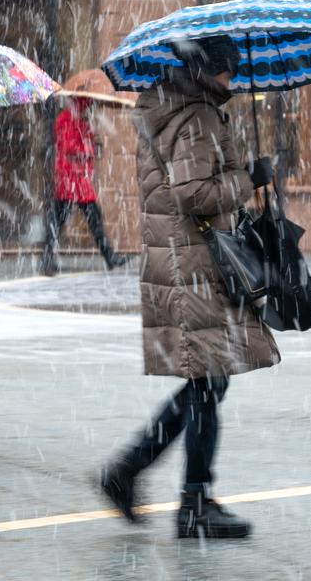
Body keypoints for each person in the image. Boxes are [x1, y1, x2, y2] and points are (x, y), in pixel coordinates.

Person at [98, 35, 278, 539]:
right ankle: (187, 500)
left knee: (208, 381)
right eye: (230, 70)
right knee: (208, 380)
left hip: (179, 261)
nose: (234, 80)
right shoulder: (196, 117)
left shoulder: (171, 106)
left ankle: (141, 476)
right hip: (194, 265)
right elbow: (193, 192)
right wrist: (247, 179)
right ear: (211, 71)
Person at [42, 97, 126, 275]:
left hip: (77, 179)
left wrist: (92, 141)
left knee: (66, 221)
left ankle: (108, 256)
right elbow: (69, 147)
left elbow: (81, 145)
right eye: (86, 105)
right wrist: (88, 146)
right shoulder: (66, 120)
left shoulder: (79, 121)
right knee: (63, 221)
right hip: (70, 179)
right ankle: (108, 257)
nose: (88, 109)